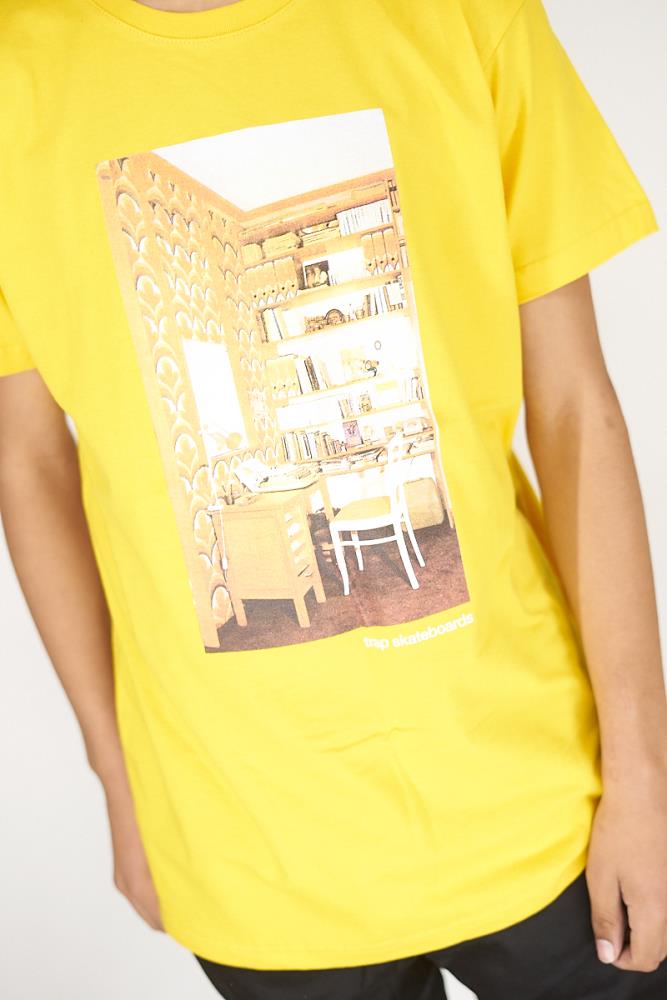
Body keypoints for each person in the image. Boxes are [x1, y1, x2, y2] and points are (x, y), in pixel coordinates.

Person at [0, 1, 665, 997]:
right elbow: (27, 463)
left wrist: (645, 777)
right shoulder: (15, 67)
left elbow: (573, 405)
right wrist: (121, 780)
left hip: (537, 792)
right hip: (248, 844)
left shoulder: (463, 15)